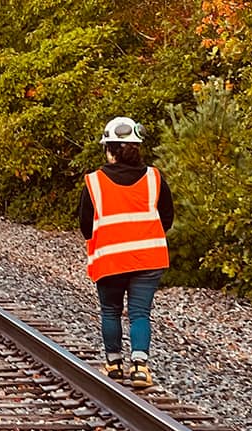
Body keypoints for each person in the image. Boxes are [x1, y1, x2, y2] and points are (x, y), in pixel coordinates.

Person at [79, 116, 174, 388]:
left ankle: (113, 364)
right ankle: (141, 367)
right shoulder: (154, 178)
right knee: (140, 313)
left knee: (110, 311)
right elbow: (166, 217)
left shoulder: (94, 182)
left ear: (109, 149)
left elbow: (86, 225)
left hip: (110, 259)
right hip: (148, 258)